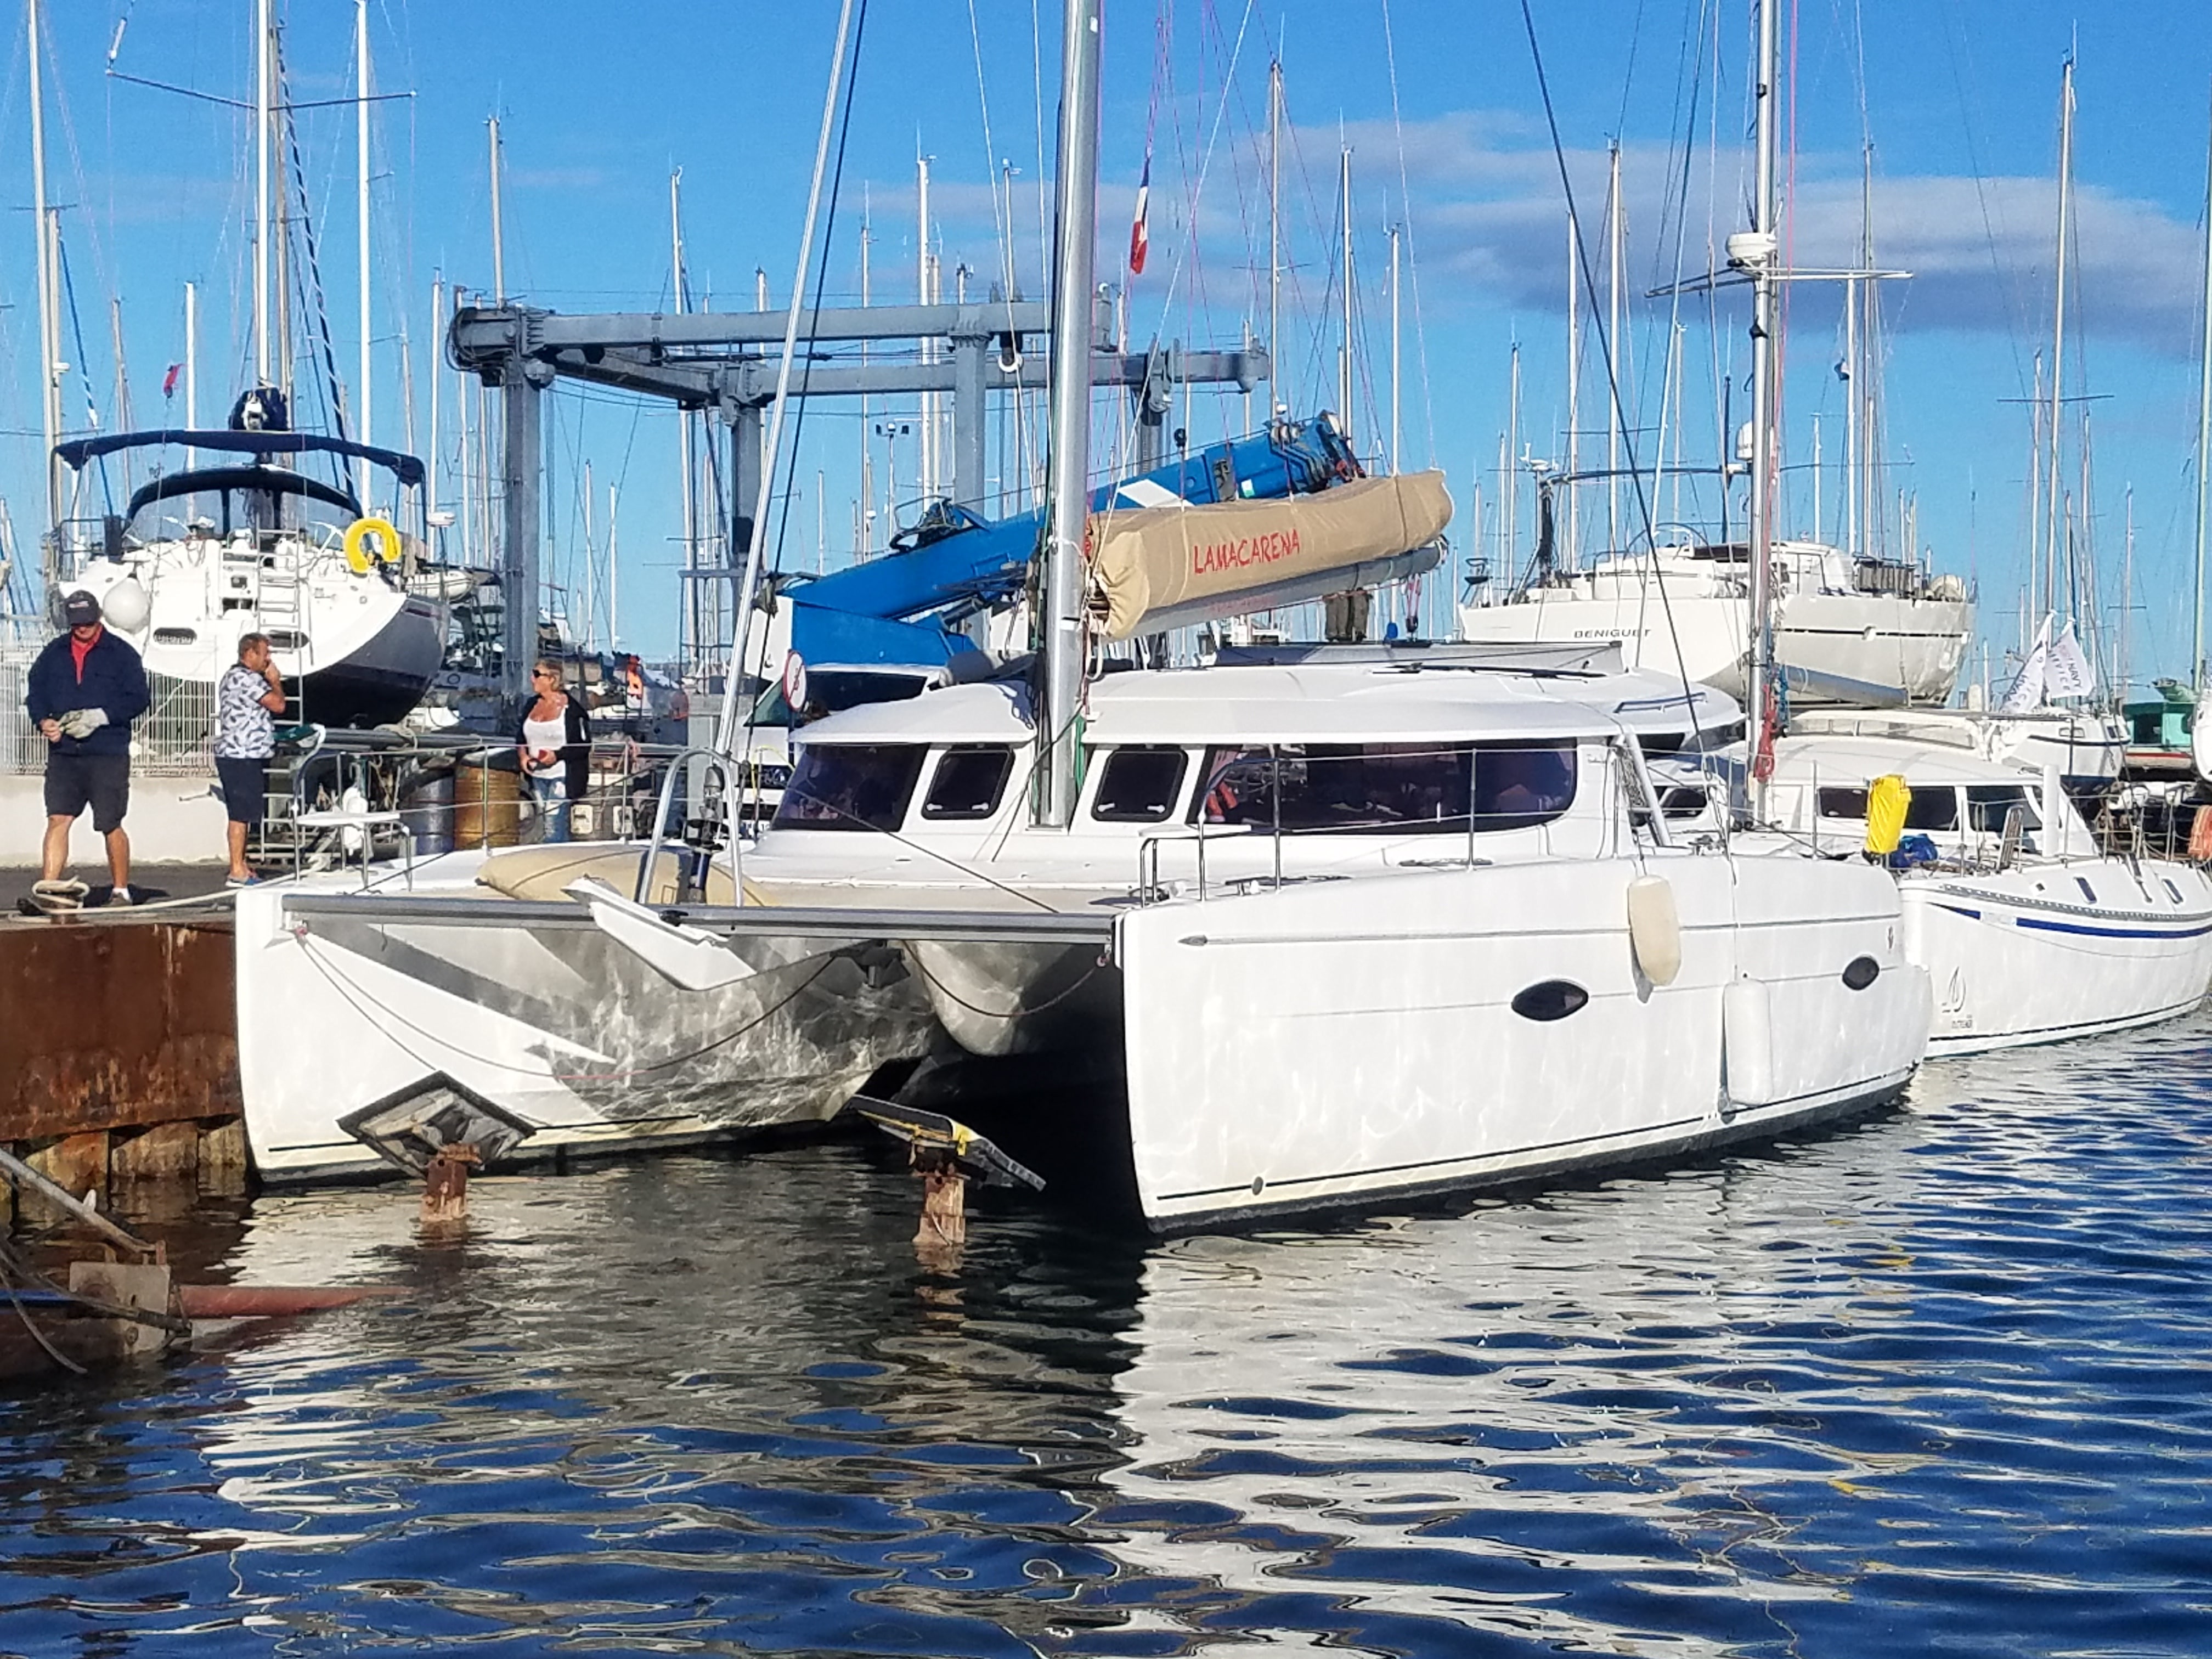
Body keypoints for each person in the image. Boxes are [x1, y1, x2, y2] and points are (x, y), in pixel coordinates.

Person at [25, 589, 150, 906]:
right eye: (76, 623)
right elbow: (36, 693)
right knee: (58, 818)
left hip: (107, 753)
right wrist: (44, 722)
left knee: (110, 823)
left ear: (98, 618)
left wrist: (102, 716)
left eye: (88, 622)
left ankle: (120, 890)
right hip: (64, 752)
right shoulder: (53, 654)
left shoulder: (121, 654)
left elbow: (139, 698)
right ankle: (50, 891)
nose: (82, 628)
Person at [214, 633, 287, 886]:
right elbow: (278, 705)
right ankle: (236, 869)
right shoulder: (244, 679)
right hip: (240, 755)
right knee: (240, 814)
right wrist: (275, 681)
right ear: (250, 653)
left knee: (244, 812)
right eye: (265, 653)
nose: (268, 659)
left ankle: (241, 862)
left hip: (247, 754)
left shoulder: (236, 677)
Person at [515, 659, 590, 844]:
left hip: (562, 775)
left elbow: (584, 745)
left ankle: (554, 859)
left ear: (552, 679)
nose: (532, 679)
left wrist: (557, 755)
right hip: (537, 774)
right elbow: (520, 736)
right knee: (541, 819)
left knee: (554, 822)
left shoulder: (572, 710)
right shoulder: (531, 704)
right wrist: (523, 756)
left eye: (537, 674)